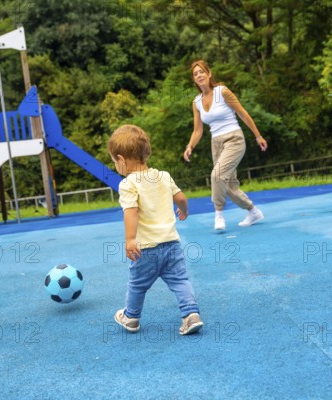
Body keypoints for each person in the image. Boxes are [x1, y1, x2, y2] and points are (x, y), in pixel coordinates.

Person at [108, 124, 203, 336]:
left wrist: (130, 239)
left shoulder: (127, 184)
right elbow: (181, 198)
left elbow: (130, 211)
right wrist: (183, 210)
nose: (116, 166)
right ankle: (191, 314)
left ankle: (131, 317)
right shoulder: (163, 176)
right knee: (180, 280)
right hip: (171, 244)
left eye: (115, 162)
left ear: (121, 160)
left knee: (137, 284)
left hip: (146, 249)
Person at [184, 59, 268, 230]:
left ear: (209, 74)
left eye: (201, 72)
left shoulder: (222, 91)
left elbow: (242, 113)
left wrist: (258, 135)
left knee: (216, 176)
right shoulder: (196, 102)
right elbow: (198, 130)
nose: (199, 75)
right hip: (216, 144)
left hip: (234, 139)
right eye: (195, 74)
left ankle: (218, 214)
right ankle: (253, 211)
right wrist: (190, 146)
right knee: (227, 185)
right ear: (194, 79)